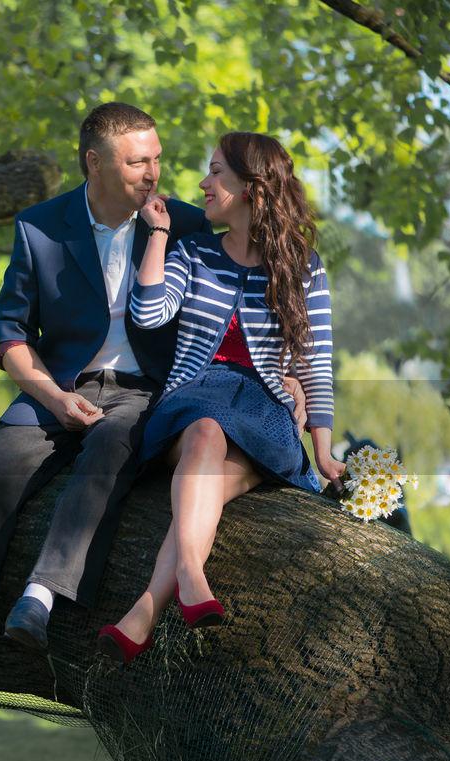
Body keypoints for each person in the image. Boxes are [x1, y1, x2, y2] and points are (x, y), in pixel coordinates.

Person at [0, 103, 211, 716]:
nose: (153, 172)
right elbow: (10, 335)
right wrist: (53, 397)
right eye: (138, 160)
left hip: (144, 392)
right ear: (95, 162)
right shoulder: (40, 227)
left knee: (110, 448)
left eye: (158, 158)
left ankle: (42, 595)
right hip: (55, 386)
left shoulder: (188, 226)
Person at [97, 131, 346, 664]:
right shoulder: (194, 252)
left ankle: (146, 607)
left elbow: (315, 364)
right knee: (207, 429)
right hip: (193, 399)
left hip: (265, 411)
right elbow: (148, 313)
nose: (203, 185)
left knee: (208, 485)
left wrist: (323, 450)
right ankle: (190, 572)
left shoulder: (304, 267)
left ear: (252, 189)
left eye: (216, 174)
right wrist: (160, 236)